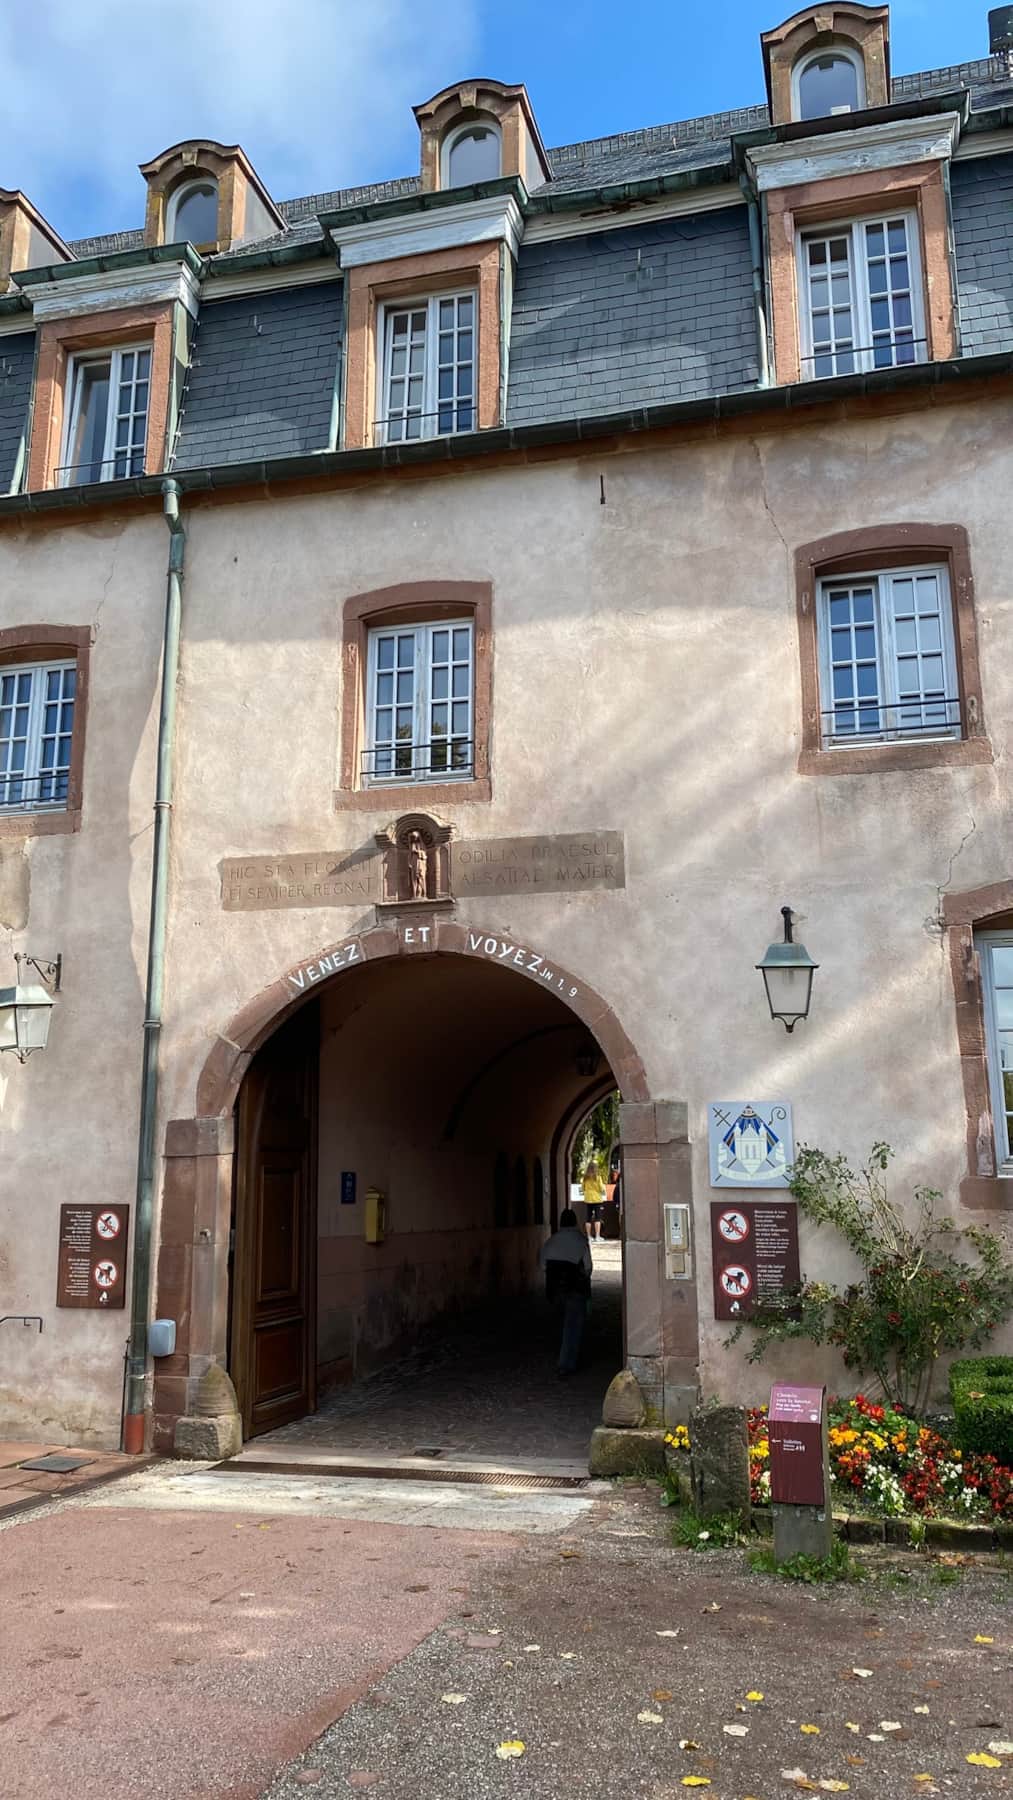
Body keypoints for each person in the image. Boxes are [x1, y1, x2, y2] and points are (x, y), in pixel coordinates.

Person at [540, 1207, 593, 1376]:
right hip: (575, 1289)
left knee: (560, 1323)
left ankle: (560, 1355)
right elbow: (588, 1267)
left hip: (555, 1290)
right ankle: (566, 1364)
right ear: (575, 1222)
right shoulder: (581, 1241)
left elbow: (543, 1266)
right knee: (573, 1326)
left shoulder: (550, 1242)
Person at [581, 1159, 605, 1241]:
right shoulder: (598, 1177)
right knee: (598, 1218)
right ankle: (597, 1236)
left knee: (588, 1218)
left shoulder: (585, 1178)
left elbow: (582, 1188)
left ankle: (589, 1236)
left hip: (588, 1199)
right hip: (597, 1199)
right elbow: (601, 1188)